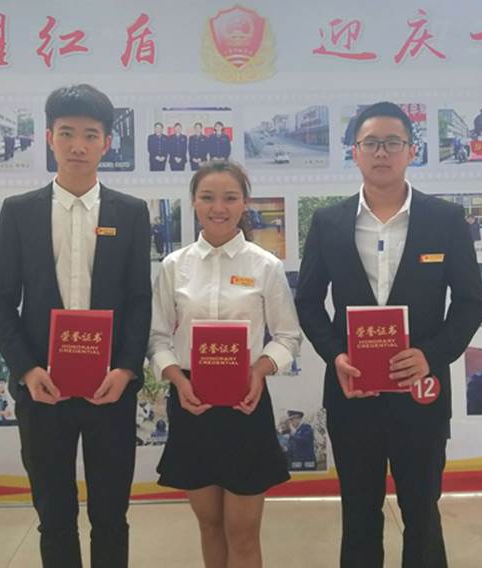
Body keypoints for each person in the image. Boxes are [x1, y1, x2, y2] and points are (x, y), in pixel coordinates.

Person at [295, 102, 482, 567]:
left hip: (421, 393)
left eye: (393, 142)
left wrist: (431, 355)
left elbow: (470, 303)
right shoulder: (329, 222)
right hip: (352, 392)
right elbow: (308, 302)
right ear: (355, 152)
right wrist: (336, 355)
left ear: (411, 151)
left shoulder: (445, 220)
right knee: (359, 513)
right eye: (371, 143)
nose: (382, 152)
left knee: (422, 512)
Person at [0, 84, 151, 568]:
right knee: (54, 516)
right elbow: (0, 299)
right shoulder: (19, 211)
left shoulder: (131, 212)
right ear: (49, 138)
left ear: (107, 143)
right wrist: (26, 369)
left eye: (90, 135)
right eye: (67, 133)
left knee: (111, 516)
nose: (78, 145)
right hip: (43, 390)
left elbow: (139, 300)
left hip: (110, 390)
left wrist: (126, 369)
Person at [148, 160, 301, 568]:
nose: (219, 207)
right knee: (210, 526)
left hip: (245, 404)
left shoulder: (264, 265)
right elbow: (158, 338)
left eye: (230, 198)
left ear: (244, 204)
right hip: (191, 403)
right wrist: (177, 380)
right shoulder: (174, 266)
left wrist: (260, 370)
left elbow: (288, 337)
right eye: (208, 197)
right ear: (194, 203)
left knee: (244, 533)